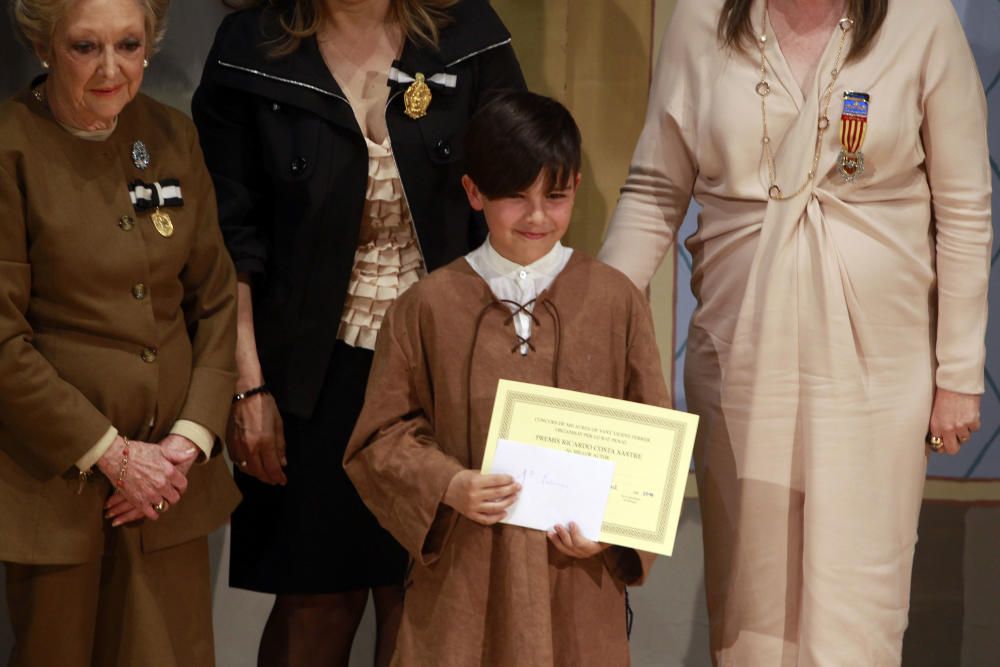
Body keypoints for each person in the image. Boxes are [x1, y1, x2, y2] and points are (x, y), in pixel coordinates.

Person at [598, 0, 992, 664]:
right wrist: (591, 319)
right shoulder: (701, 19)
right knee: (751, 609)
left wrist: (957, 372)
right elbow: (655, 189)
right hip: (740, 354)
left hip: (878, 364)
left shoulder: (921, 19)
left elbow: (964, 205)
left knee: (858, 608)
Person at [191, 0, 525, 664]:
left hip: (441, 373)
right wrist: (247, 390)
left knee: (419, 602)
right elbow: (227, 243)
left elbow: (520, 199)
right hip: (306, 381)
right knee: (315, 606)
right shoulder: (250, 46)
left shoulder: (468, 34)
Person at [343, 90, 665, 667]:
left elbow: (653, 441)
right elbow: (378, 439)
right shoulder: (426, 307)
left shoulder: (617, 302)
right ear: (474, 193)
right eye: (515, 198)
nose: (538, 216)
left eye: (556, 196)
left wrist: (613, 531)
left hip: (576, 583)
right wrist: (447, 484)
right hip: (466, 583)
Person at [0, 0, 240, 665]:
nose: (112, 69)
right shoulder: (9, 147)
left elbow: (216, 301)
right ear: (45, 46)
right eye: (85, 48)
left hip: (168, 490)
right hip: (59, 489)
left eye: (129, 45)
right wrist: (113, 455)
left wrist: (184, 447)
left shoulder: (172, 136)